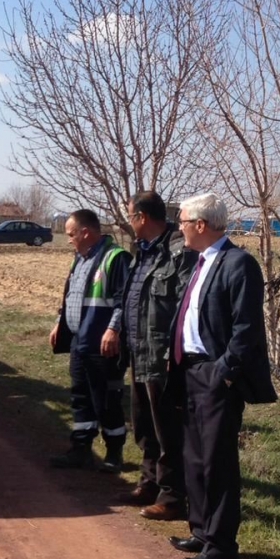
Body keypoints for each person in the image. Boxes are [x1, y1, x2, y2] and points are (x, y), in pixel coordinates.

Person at [168, 192, 277, 559]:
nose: (178, 226)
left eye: (182, 221)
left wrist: (224, 373)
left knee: (218, 462)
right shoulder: (198, 262)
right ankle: (201, 531)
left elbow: (247, 329)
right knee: (194, 457)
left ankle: (221, 547)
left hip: (216, 376)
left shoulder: (238, 264)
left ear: (200, 225)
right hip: (189, 372)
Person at [102, 190, 194, 522]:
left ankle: (172, 497)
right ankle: (150, 484)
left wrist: (174, 351)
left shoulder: (178, 251)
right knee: (143, 425)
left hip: (161, 357)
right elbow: (130, 298)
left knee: (166, 428)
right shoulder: (142, 252)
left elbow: (185, 306)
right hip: (139, 353)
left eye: (130, 217)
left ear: (142, 217)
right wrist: (116, 328)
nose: (128, 223)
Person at [49, 209, 131, 471]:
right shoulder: (80, 259)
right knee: (80, 397)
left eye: (71, 234)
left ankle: (114, 453)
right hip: (79, 342)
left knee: (106, 398)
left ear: (86, 232)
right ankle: (81, 449)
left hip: (103, 345)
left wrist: (113, 330)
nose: (69, 239)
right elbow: (72, 296)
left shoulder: (116, 258)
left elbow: (124, 301)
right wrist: (59, 323)